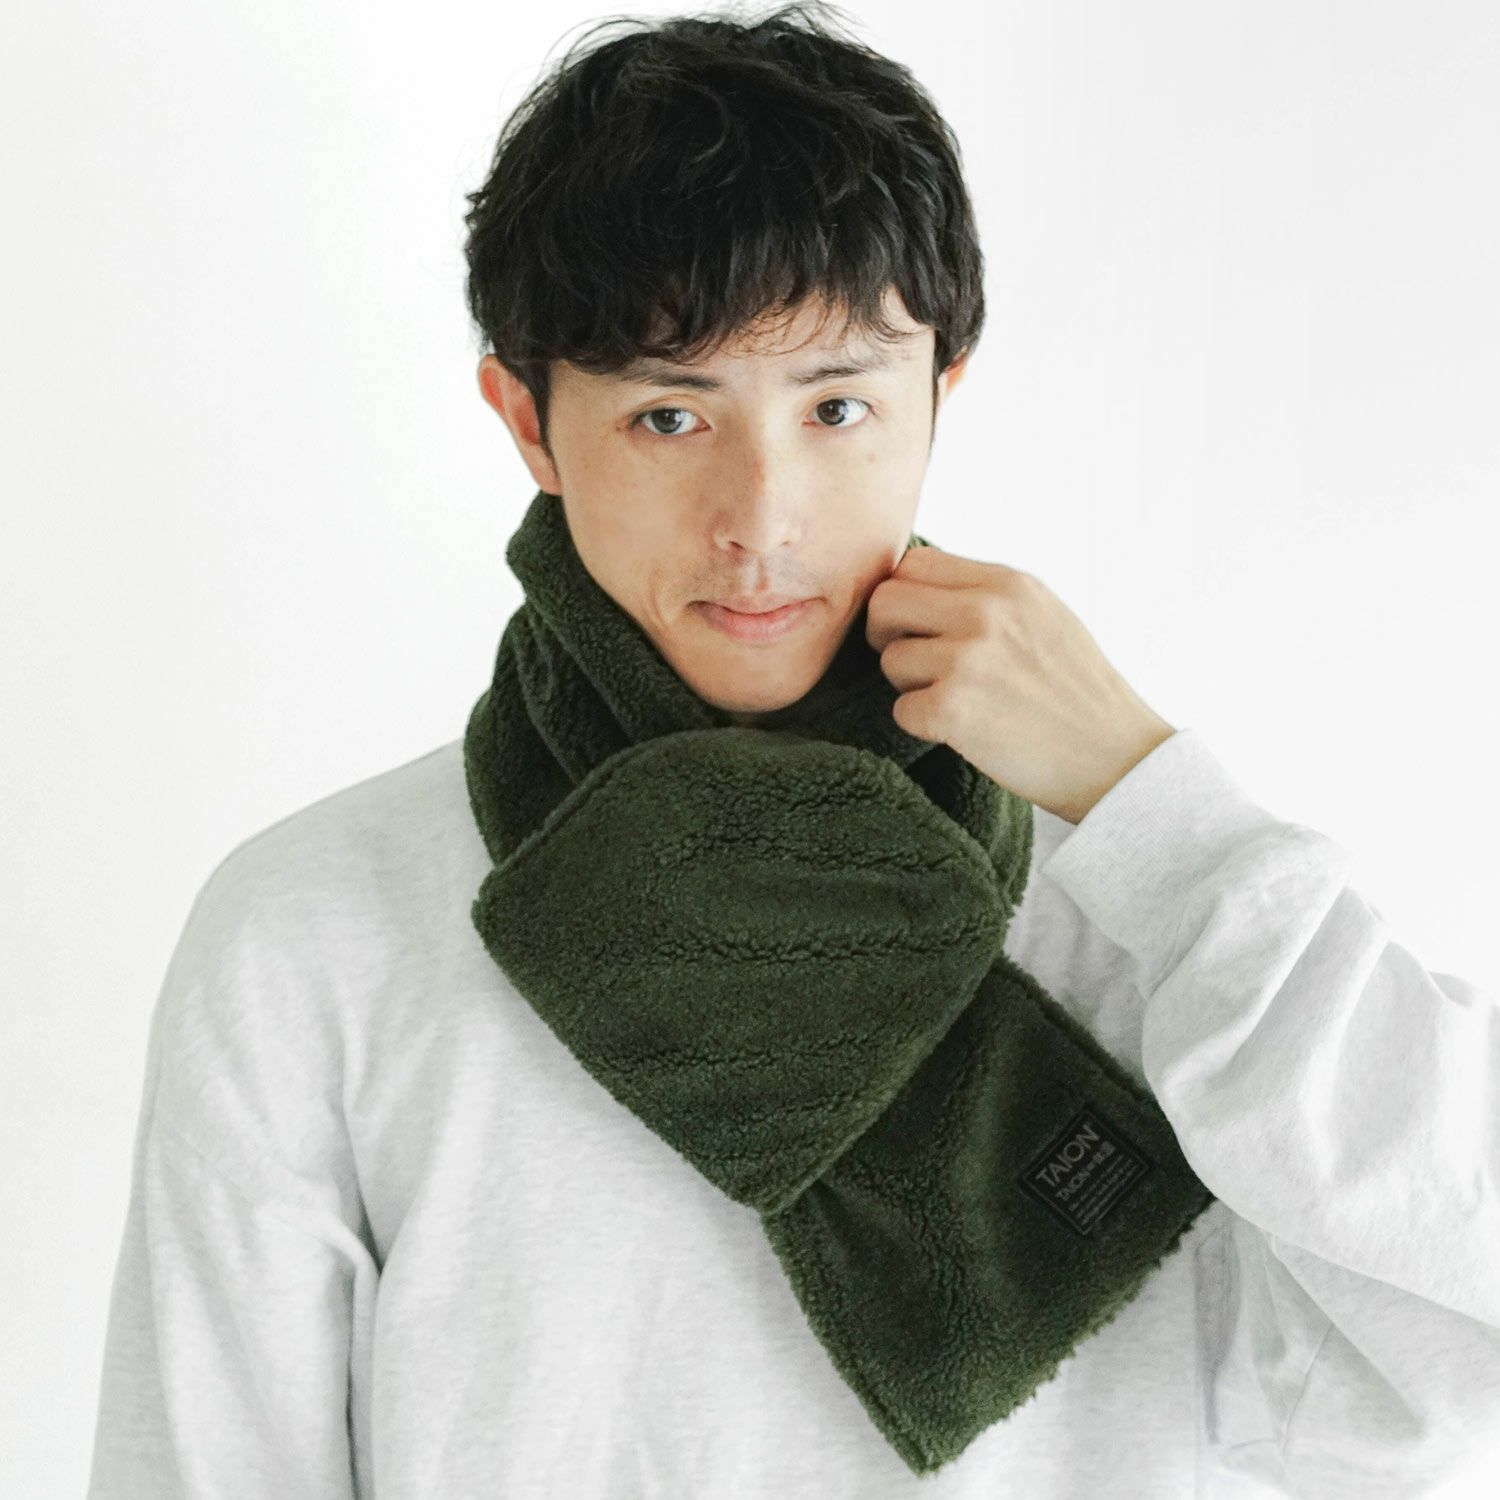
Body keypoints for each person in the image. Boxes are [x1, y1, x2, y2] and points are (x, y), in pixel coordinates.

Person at [85, 5, 1500, 1496]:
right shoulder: (317, 936)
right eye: (669, 415)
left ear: (940, 394)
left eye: (836, 406)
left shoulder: (1160, 926)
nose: (760, 518)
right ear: (527, 422)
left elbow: (1460, 1317)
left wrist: (1153, 805)